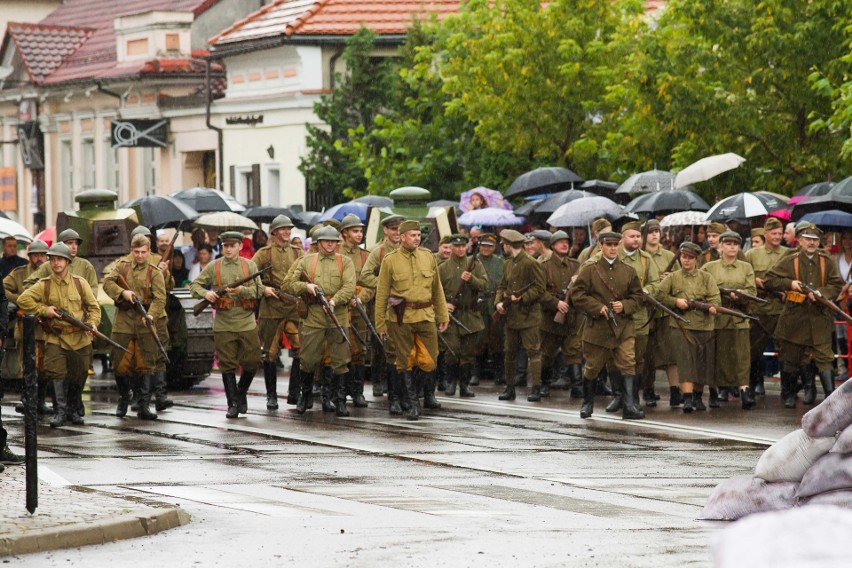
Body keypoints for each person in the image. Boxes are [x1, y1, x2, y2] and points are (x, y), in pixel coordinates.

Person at [17, 243, 101, 428]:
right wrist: (44, 310)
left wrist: (92, 323)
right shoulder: (44, 284)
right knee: (57, 373)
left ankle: (72, 409)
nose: (55, 263)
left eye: (59, 259)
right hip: (56, 337)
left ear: (67, 261)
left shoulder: (80, 283)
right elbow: (23, 299)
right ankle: (60, 411)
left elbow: (94, 307)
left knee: (79, 374)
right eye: (53, 259)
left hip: (79, 338)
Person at [374, 220, 449, 420]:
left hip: (425, 316)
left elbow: (437, 289)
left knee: (430, 360)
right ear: (402, 236)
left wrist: (443, 315)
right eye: (413, 235)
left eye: (418, 235)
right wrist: (380, 323)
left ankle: (417, 394)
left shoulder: (428, 257)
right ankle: (414, 404)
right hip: (401, 318)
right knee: (405, 362)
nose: (417, 238)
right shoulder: (390, 260)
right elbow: (382, 294)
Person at [764, 222, 842, 407]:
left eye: (815, 240)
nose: (812, 243)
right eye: (807, 239)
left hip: (819, 318)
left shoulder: (826, 261)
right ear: (799, 240)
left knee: (825, 359)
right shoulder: (790, 260)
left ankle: (831, 399)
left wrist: (822, 293)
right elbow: (769, 280)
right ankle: (788, 394)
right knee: (790, 359)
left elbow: (836, 285)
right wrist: (790, 284)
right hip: (795, 318)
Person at [570, 231, 644, 419]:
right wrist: (596, 307)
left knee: (628, 363)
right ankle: (587, 403)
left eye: (615, 245)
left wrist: (625, 305)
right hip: (598, 328)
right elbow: (577, 295)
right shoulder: (590, 270)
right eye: (608, 245)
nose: (612, 248)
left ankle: (629, 406)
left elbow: (638, 297)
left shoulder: (629, 271)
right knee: (593, 366)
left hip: (622, 327)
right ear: (600, 246)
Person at [190, 231, 264, 418]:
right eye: (225, 246)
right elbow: (194, 286)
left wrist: (242, 290)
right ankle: (232, 403)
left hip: (246, 322)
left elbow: (259, 290)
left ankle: (241, 392)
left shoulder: (250, 265)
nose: (229, 249)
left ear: (240, 246)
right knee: (227, 365)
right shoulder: (214, 266)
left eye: (232, 245)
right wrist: (206, 294)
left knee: (253, 360)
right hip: (223, 323)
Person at [284, 226, 356, 416]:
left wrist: (334, 301)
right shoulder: (307, 261)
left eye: (333, 240)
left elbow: (349, 287)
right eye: (326, 240)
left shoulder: (345, 262)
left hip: (337, 315)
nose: (330, 244)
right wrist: (306, 286)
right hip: (314, 315)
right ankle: (305, 397)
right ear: (318, 243)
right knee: (307, 359)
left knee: (340, 360)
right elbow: (290, 284)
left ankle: (339, 400)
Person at [103, 234, 168, 420]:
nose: (139, 256)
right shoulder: (122, 266)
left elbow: (160, 298)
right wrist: (122, 292)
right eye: (136, 252)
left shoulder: (154, 272)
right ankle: (124, 396)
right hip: (123, 320)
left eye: (143, 252)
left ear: (149, 252)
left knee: (146, 364)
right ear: (132, 250)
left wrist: (151, 315)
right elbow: (107, 283)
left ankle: (144, 405)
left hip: (144, 321)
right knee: (119, 363)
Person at [603, 220, 660, 415]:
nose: (636, 240)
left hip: (638, 316)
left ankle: (632, 398)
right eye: (632, 236)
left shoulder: (646, 259)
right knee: (613, 357)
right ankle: (618, 395)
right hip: (614, 316)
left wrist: (645, 291)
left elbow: (655, 283)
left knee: (637, 359)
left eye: (638, 236)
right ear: (622, 238)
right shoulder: (610, 255)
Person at [656, 242, 721, 413]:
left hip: (704, 326)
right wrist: (675, 301)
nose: (686, 261)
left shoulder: (706, 278)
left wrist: (713, 307)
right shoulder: (673, 277)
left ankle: (698, 397)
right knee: (685, 361)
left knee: (702, 363)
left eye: (690, 258)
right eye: (684, 257)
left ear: (697, 259)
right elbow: (660, 295)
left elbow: (715, 298)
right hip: (680, 325)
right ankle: (686, 398)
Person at [702, 231, 758, 409]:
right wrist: (718, 295)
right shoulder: (710, 267)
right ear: (721, 246)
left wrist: (737, 296)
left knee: (742, 357)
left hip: (739, 318)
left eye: (735, 243)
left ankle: (744, 391)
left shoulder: (745, 267)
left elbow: (751, 291)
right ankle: (717, 390)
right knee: (719, 357)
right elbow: (701, 286)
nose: (732, 246)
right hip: (717, 318)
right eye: (728, 243)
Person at [252, 215, 303, 410]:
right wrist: (263, 289)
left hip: (293, 308)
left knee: (301, 350)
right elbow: (249, 276)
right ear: (273, 232)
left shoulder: (298, 252)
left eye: (289, 229)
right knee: (270, 354)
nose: (287, 232)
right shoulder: (264, 254)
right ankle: (271, 396)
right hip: (271, 309)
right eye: (283, 229)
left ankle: (294, 393)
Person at [494, 229, 546, 402]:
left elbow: (540, 289)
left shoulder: (531, 263)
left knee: (533, 352)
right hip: (511, 316)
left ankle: (536, 388)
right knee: (509, 352)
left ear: (509, 245)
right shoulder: (507, 263)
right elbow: (502, 286)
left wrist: (522, 298)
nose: (503, 247)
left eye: (504, 245)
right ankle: (510, 388)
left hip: (529, 316)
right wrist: (499, 303)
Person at [360, 214, 404, 403]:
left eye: (399, 229)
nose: (396, 233)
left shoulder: (407, 249)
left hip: (402, 304)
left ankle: (395, 383)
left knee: (400, 343)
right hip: (381, 304)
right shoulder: (377, 252)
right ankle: (378, 380)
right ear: (385, 230)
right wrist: (384, 285)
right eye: (393, 229)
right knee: (379, 342)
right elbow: (365, 276)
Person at [438, 233, 487, 397]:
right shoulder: (443, 268)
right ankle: (450, 382)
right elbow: (434, 291)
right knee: (452, 351)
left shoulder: (475, 264)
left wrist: (471, 279)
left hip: (470, 315)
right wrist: (444, 304)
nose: (459, 249)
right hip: (451, 316)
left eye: (462, 246)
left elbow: (484, 285)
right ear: (450, 247)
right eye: (456, 246)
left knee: (467, 354)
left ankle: (464, 385)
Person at [5, 240, 49, 414]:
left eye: (42, 255)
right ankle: (27, 400)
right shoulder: (19, 273)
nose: (39, 259)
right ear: (30, 256)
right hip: (25, 328)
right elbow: (4, 288)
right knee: (26, 367)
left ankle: (41, 401)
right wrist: (20, 299)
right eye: (36, 255)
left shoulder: (52, 272)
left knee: (44, 368)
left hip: (45, 327)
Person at [746, 217, 789, 396]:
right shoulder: (752, 254)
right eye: (774, 233)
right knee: (754, 349)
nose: (778, 236)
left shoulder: (788, 253)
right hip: (760, 309)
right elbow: (745, 276)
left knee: (786, 350)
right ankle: (756, 383)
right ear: (765, 234)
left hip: (783, 310)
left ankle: (788, 389)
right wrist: (756, 282)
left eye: (780, 233)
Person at [642, 219, 682, 407]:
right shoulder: (639, 257)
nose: (655, 235)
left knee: (670, 353)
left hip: (665, 310)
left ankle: (676, 391)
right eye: (650, 232)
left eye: (657, 231)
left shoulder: (668, 256)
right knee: (647, 354)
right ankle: (648, 390)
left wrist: (670, 278)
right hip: (645, 311)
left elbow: (681, 279)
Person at [538, 230, 582, 398]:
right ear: (552, 245)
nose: (565, 244)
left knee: (574, 352)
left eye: (567, 242)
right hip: (551, 319)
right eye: (560, 242)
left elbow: (582, 290)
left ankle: (577, 386)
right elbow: (539, 292)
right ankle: (544, 384)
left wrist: (575, 290)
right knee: (548, 353)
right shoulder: (544, 266)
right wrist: (556, 303)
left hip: (571, 318)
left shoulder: (575, 265)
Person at [338, 213, 373, 408]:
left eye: (361, 231)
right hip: (341, 308)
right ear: (344, 233)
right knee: (341, 349)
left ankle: (358, 392)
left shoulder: (365, 256)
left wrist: (361, 298)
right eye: (355, 231)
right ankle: (340, 393)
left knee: (360, 349)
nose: (359, 234)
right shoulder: (335, 253)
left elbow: (371, 283)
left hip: (359, 309)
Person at [476, 233, 505, 385]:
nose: (486, 248)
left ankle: (499, 372)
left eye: (490, 246)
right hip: (478, 304)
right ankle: (476, 372)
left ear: (494, 247)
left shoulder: (500, 262)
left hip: (495, 302)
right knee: (479, 338)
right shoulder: (473, 261)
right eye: (483, 245)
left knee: (497, 338)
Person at [834, 230, 852, 379]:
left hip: (851, 301)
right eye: (845, 239)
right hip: (839, 302)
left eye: (850, 239)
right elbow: (833, 279)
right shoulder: (836, 258)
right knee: (840, 336)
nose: (848, 242)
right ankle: (842, 369)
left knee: (850, 336)